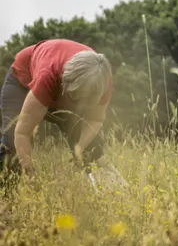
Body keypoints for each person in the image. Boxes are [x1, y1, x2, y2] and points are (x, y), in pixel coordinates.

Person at [0, 39, 114, 184]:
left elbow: (95, 121)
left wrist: (79, 149)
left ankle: (103, 193)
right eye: (74, 97)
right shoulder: (47, 76)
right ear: (64, 84)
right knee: (11, 144)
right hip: (21, 81)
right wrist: (30, 175)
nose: (76, 105)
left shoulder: (102, 80)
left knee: (92, 147)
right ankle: (5, 199)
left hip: (62, 79)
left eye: (84, 101)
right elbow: (22, 132)